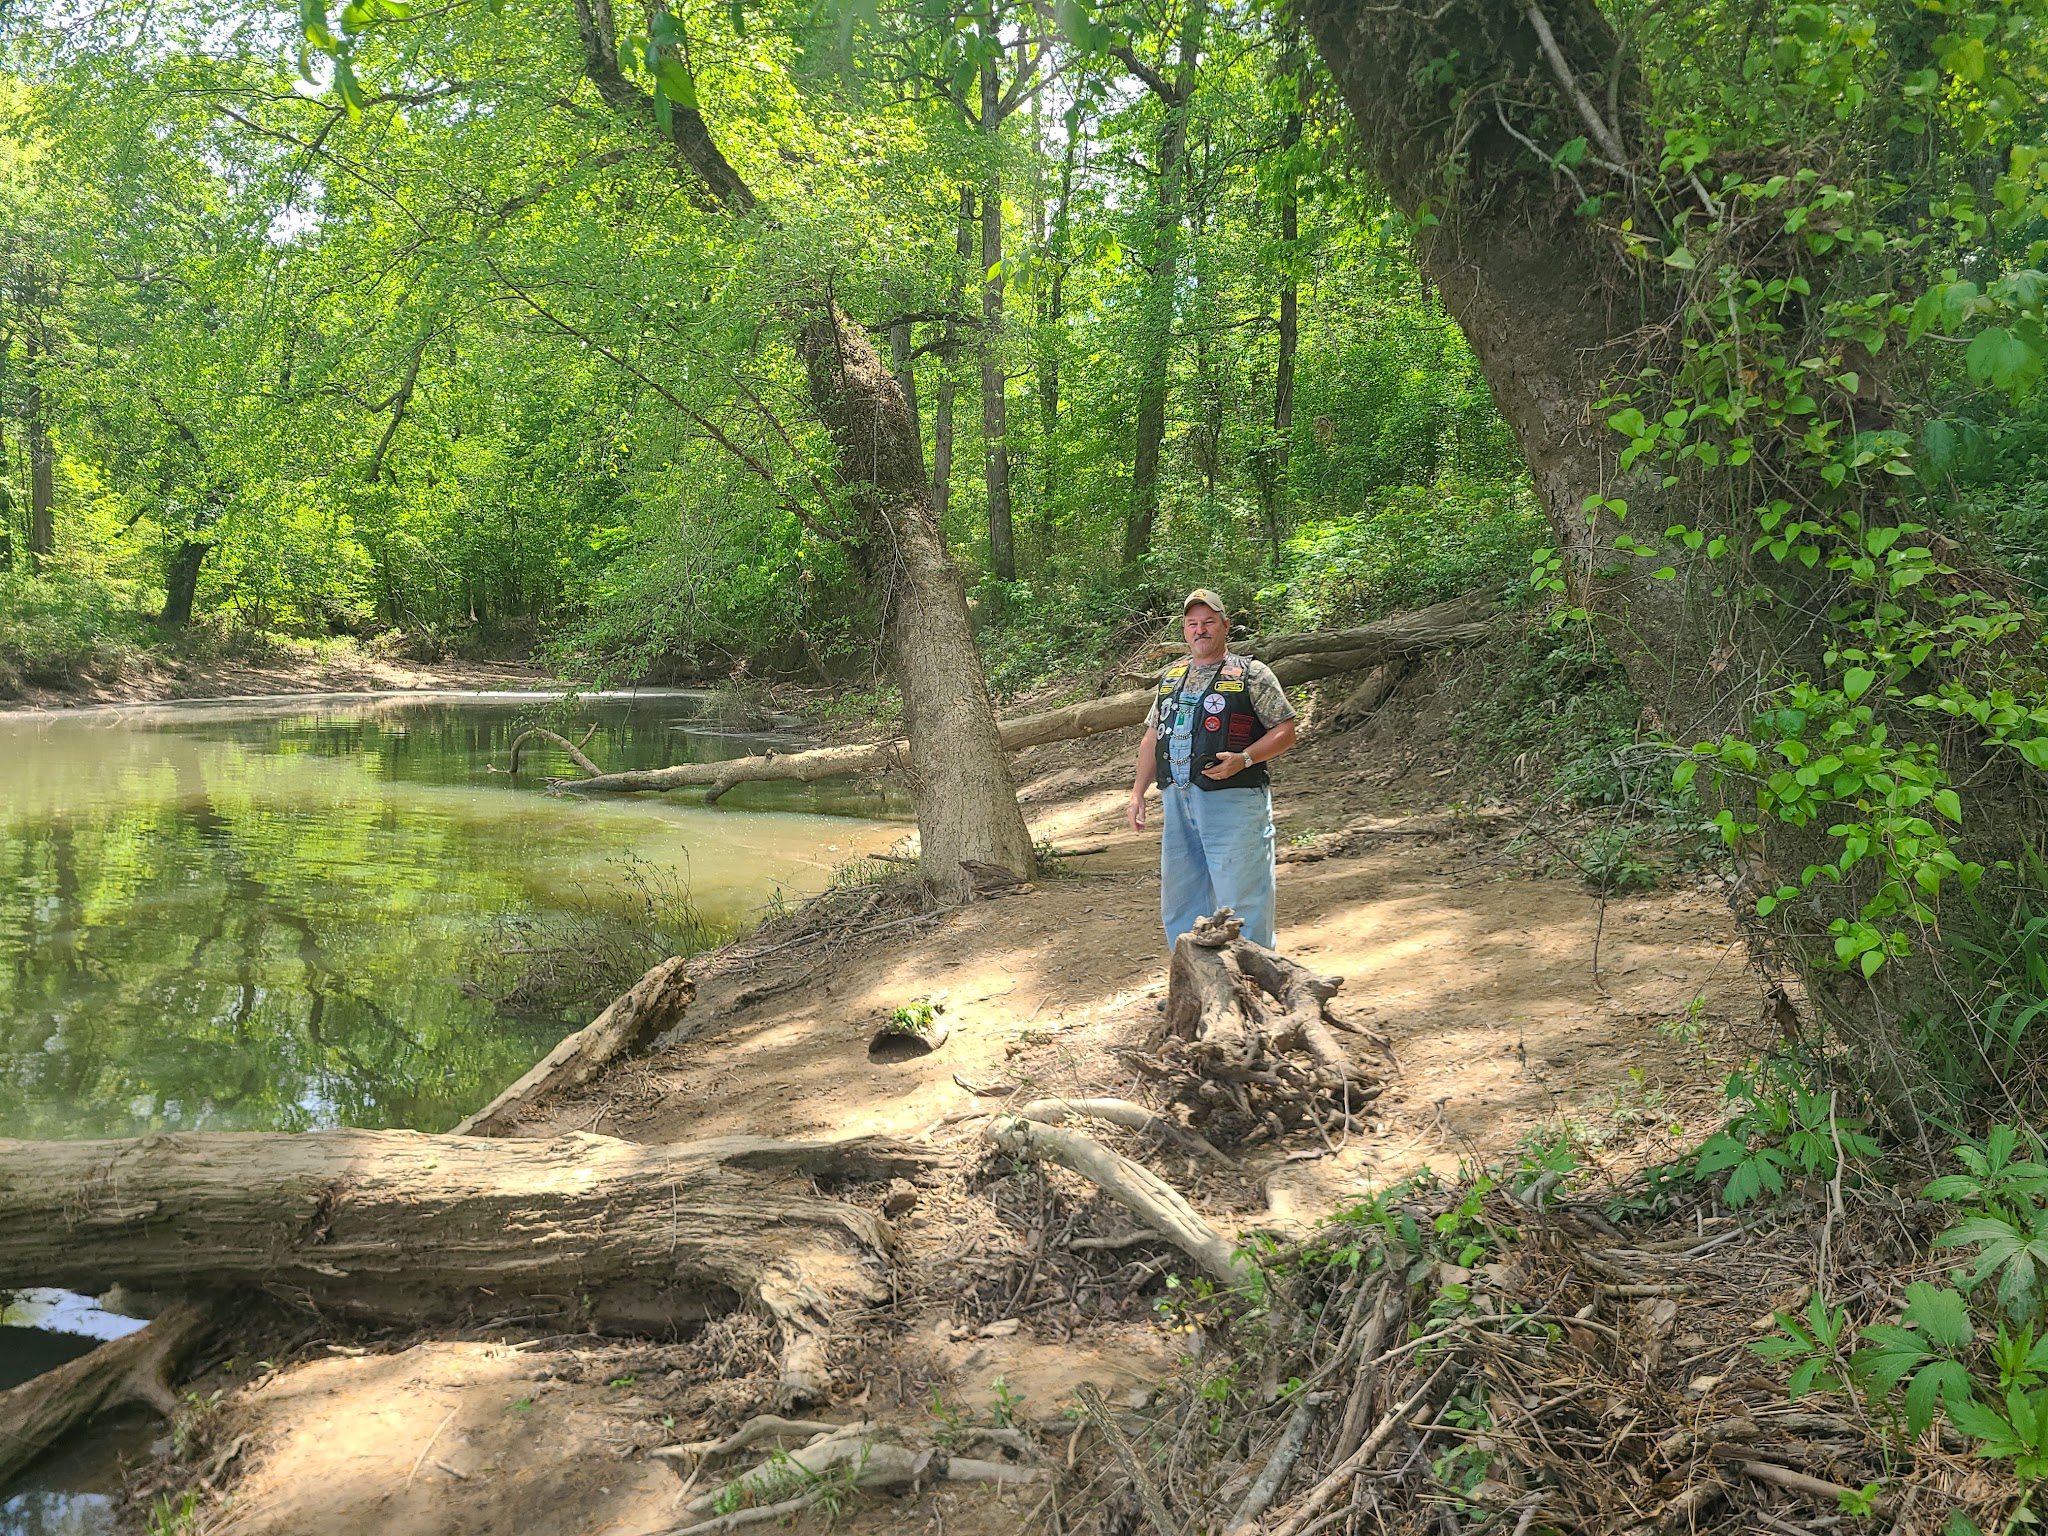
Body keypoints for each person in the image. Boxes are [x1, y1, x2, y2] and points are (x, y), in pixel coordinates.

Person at [1127, 589, 1298, 950]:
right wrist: (1137, 793)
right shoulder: (1171, 677)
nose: (1200, 630)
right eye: (1192, 624)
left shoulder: (1252, 674)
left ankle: (1251, 985)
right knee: (1181, 898)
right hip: (1177, 800)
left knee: (1243, 896)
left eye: (1208, 622)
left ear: (1225, 626)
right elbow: (1150, 737)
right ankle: (1194, 983)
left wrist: (1245, 758)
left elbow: (1285, 731)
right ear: (1184, 630)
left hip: (1234, 801)